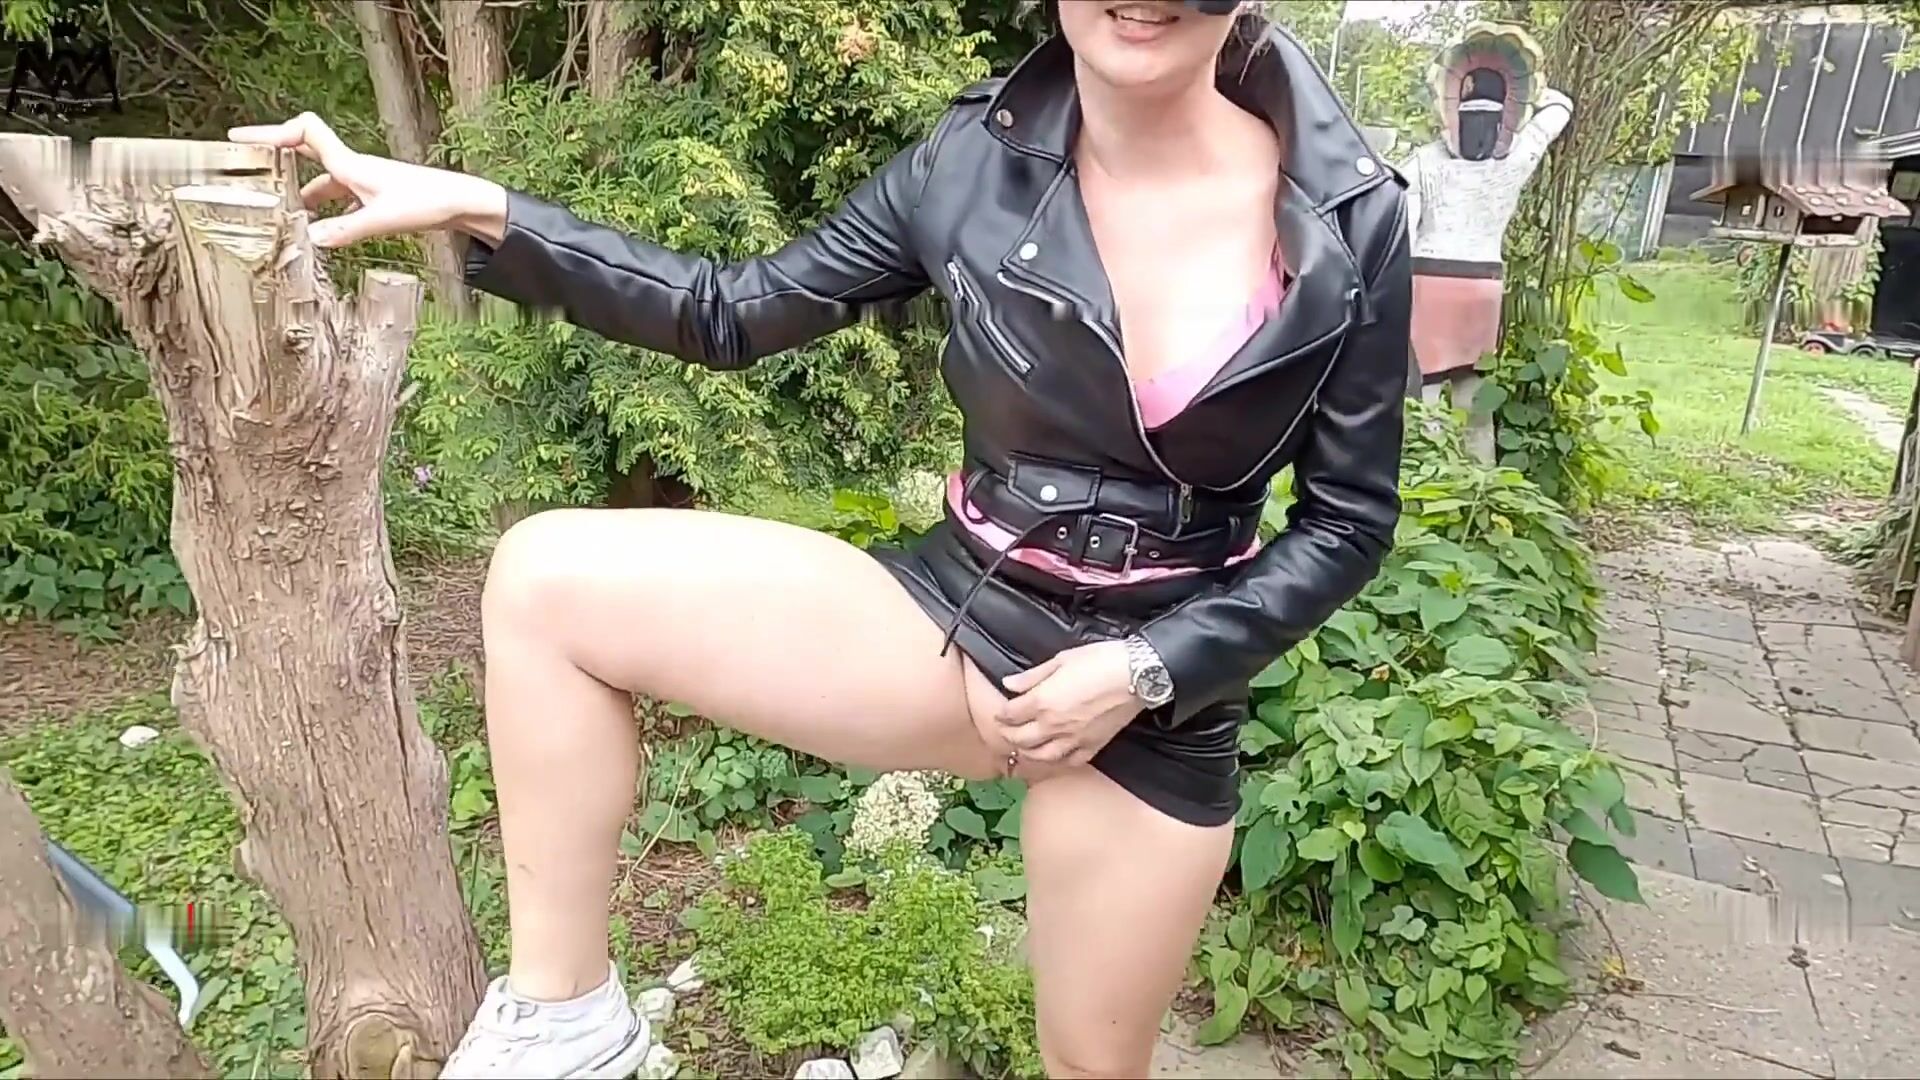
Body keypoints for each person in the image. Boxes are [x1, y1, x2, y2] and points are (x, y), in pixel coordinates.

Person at [231, 1, 1408, 1076]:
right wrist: (478, 205)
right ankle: (565, 1019)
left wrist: (1146, 671)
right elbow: (728, 311)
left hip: (1160, 693)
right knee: (545, 580)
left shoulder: (1348, 216)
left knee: (1094, 1069)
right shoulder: (970, 162)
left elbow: (1347, 522)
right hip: (963, 616)